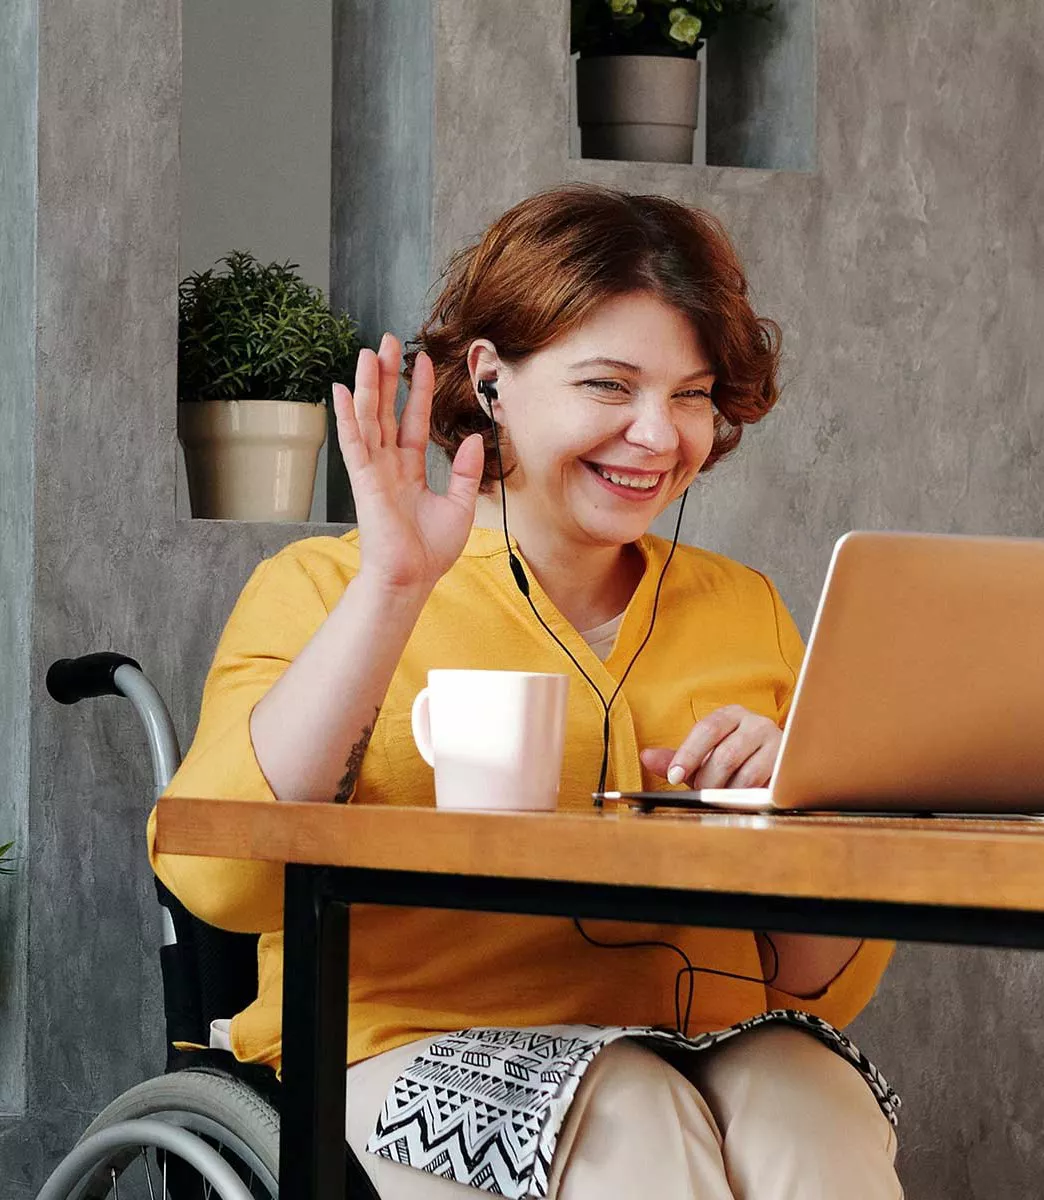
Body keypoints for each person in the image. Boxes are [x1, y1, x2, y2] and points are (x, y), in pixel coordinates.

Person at [148, 184, 902, 1199]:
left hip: (714, 1042)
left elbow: (815, 981)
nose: (657, 435)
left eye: (690, 393)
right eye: (609, 385)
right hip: (401, 1049)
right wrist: (394, 587)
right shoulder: (324, 591)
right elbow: (223, 881)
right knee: (632, 1113)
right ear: (492, 378)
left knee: (811, 1103)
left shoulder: (746, 611)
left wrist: (804, 807)